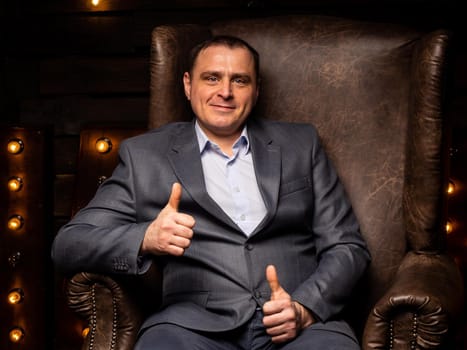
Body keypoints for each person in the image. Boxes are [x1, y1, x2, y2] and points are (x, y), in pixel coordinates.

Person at [52, 35, 371, 349]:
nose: (225, 92)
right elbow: (69, 244)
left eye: (240, 81)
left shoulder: (301, 144)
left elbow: (347, 246)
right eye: (212, 78)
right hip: (190, 329)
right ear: (188, 85)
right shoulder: (144, 157)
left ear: (256, 90)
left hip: (301, 327)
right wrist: (146, 237)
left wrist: (304, 308)